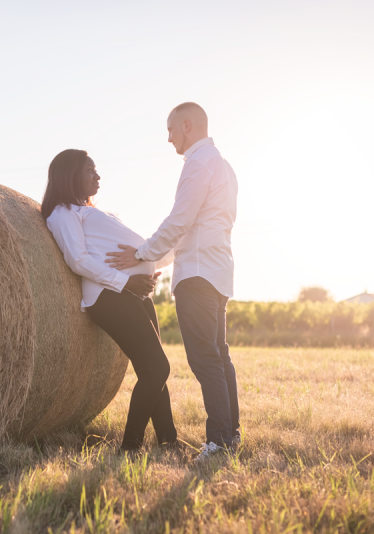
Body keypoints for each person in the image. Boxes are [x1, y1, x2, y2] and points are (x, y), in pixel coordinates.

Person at [106, 102, 240, 460]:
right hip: (217, 273)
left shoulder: (198, 163)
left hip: (197, 275)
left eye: (169, 131)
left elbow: (179, 222)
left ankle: (218, 443)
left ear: (186, 125)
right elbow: (196, 228)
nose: (168, 139)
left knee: (205, 360)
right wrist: (156, 259)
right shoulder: (224, 167)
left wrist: (141, 254)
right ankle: (231, 436)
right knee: (220, 357)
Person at [42, 149, 179, 455]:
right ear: (70, 175)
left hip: (133, 293)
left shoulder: (91, 210)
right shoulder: (63, 213)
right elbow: (77, 259)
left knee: (152, 368)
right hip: (109, 296)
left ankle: (169, 442)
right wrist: (125, 280)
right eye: (90, 170)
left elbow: (111, 249)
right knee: (157, 367)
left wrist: (147, 268)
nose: (98, 175)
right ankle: (129, 449)